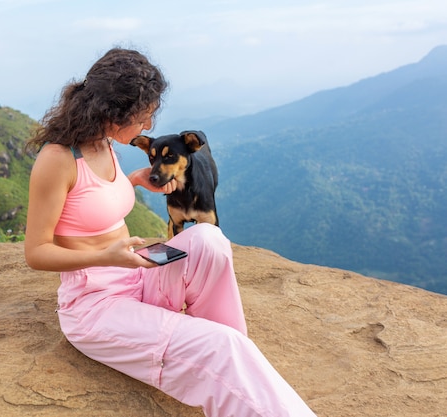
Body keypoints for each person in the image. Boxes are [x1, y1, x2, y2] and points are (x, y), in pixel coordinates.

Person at [24, 47, 317, 417]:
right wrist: (105, 257)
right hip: (96, 307)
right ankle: (223, 357)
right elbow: (35, 252)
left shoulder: (105, 145)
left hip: (138, 276)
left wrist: (132, 181)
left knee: (209, 239)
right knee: (221, 348)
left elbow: (89, 204)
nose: (147, 127)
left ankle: (229, 361)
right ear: (115, 113)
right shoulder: (57, 160)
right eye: (144, 117)